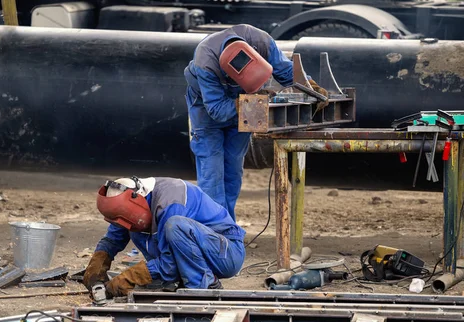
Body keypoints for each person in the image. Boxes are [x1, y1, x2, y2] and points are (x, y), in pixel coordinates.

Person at [185, 24, 328, 220]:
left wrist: (310, 88)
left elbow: (287, 73)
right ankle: (215, 231)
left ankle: (227, 227)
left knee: (233, 171)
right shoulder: (205, 61)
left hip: (245, 103)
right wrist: (250, 103)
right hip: (207, 108)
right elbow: (216, 110)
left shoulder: (261, 41)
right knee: (212, 173)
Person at [83, 176, 246, 298]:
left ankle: (205, 287)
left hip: (226, 254)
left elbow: (170, 264)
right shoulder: (134, 199)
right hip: (198, 255)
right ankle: (188, 281)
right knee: (137, 229)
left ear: (138, 199)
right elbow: (113, 238)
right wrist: (97, 266)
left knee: (175, 226)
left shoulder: (171, 201)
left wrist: (129, 278)